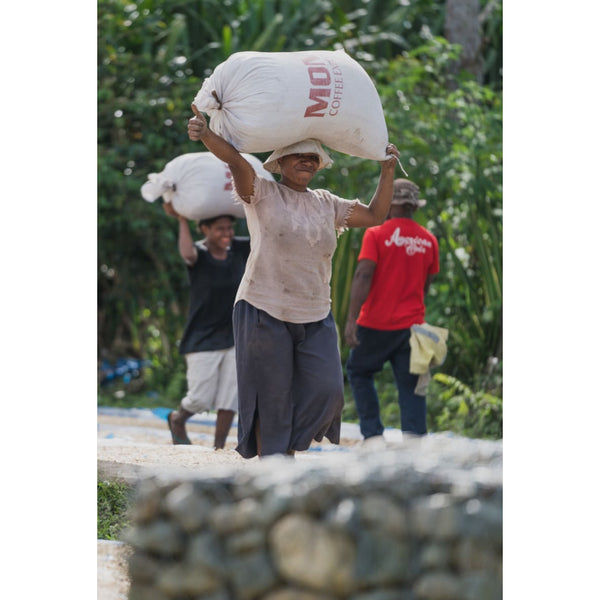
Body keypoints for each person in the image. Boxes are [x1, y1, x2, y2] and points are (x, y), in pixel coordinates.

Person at [188, 104, 401, 458]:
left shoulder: (328, 203)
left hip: (315, 312)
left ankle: (283, 446)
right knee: (271, 392)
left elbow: (377, 215)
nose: (306, 161)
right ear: (280, 163)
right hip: (262, 306)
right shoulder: (263, 193)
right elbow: (238, 162)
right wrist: (207, 134)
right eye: (298, 156)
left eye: (313, 157)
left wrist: (387, 169)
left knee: (327, 389)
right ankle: (275, 462)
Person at [344, 178, 439, 441]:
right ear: (414, 207)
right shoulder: (429, 240)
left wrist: (352, 319)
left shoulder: (376, 234)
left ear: (389, 204)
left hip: (376, 323)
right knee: (413, 387)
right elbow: (425, 286)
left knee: (359, 371)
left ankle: (373, 436)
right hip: (413, 327)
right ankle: (414, 442)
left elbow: (364, 275)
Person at [164, 202, 250, 449]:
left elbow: (261, 235)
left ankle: (218, 448)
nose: (227, 233)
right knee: (200, 398)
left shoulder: (239, 250)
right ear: (205, 229)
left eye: (230, 228)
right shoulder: (198, 255)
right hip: (201, 338)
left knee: (230, 397)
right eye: (219, 229)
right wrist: (181, 219)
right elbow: (187, 253)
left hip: (234, 335)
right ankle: (178, 418)